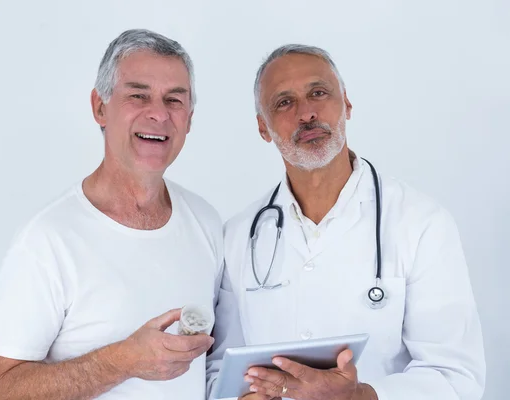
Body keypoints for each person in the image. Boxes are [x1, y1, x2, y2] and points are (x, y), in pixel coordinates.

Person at [207, 45, 486, 400]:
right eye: (284, 102)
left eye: (318, 93)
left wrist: (361, 396)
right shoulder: (238, 236)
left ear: (347, 105)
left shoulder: (422, 224)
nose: (306, 113)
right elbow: (221, 372)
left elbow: (457, 376)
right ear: (264, 127)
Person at [0, 29, 223, 399]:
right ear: (100, 107)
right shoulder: (48, 240)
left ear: (189, 119)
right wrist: (122, 361)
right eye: (138, 95)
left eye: (174, 100)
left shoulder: (206, 222)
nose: (158, 114)